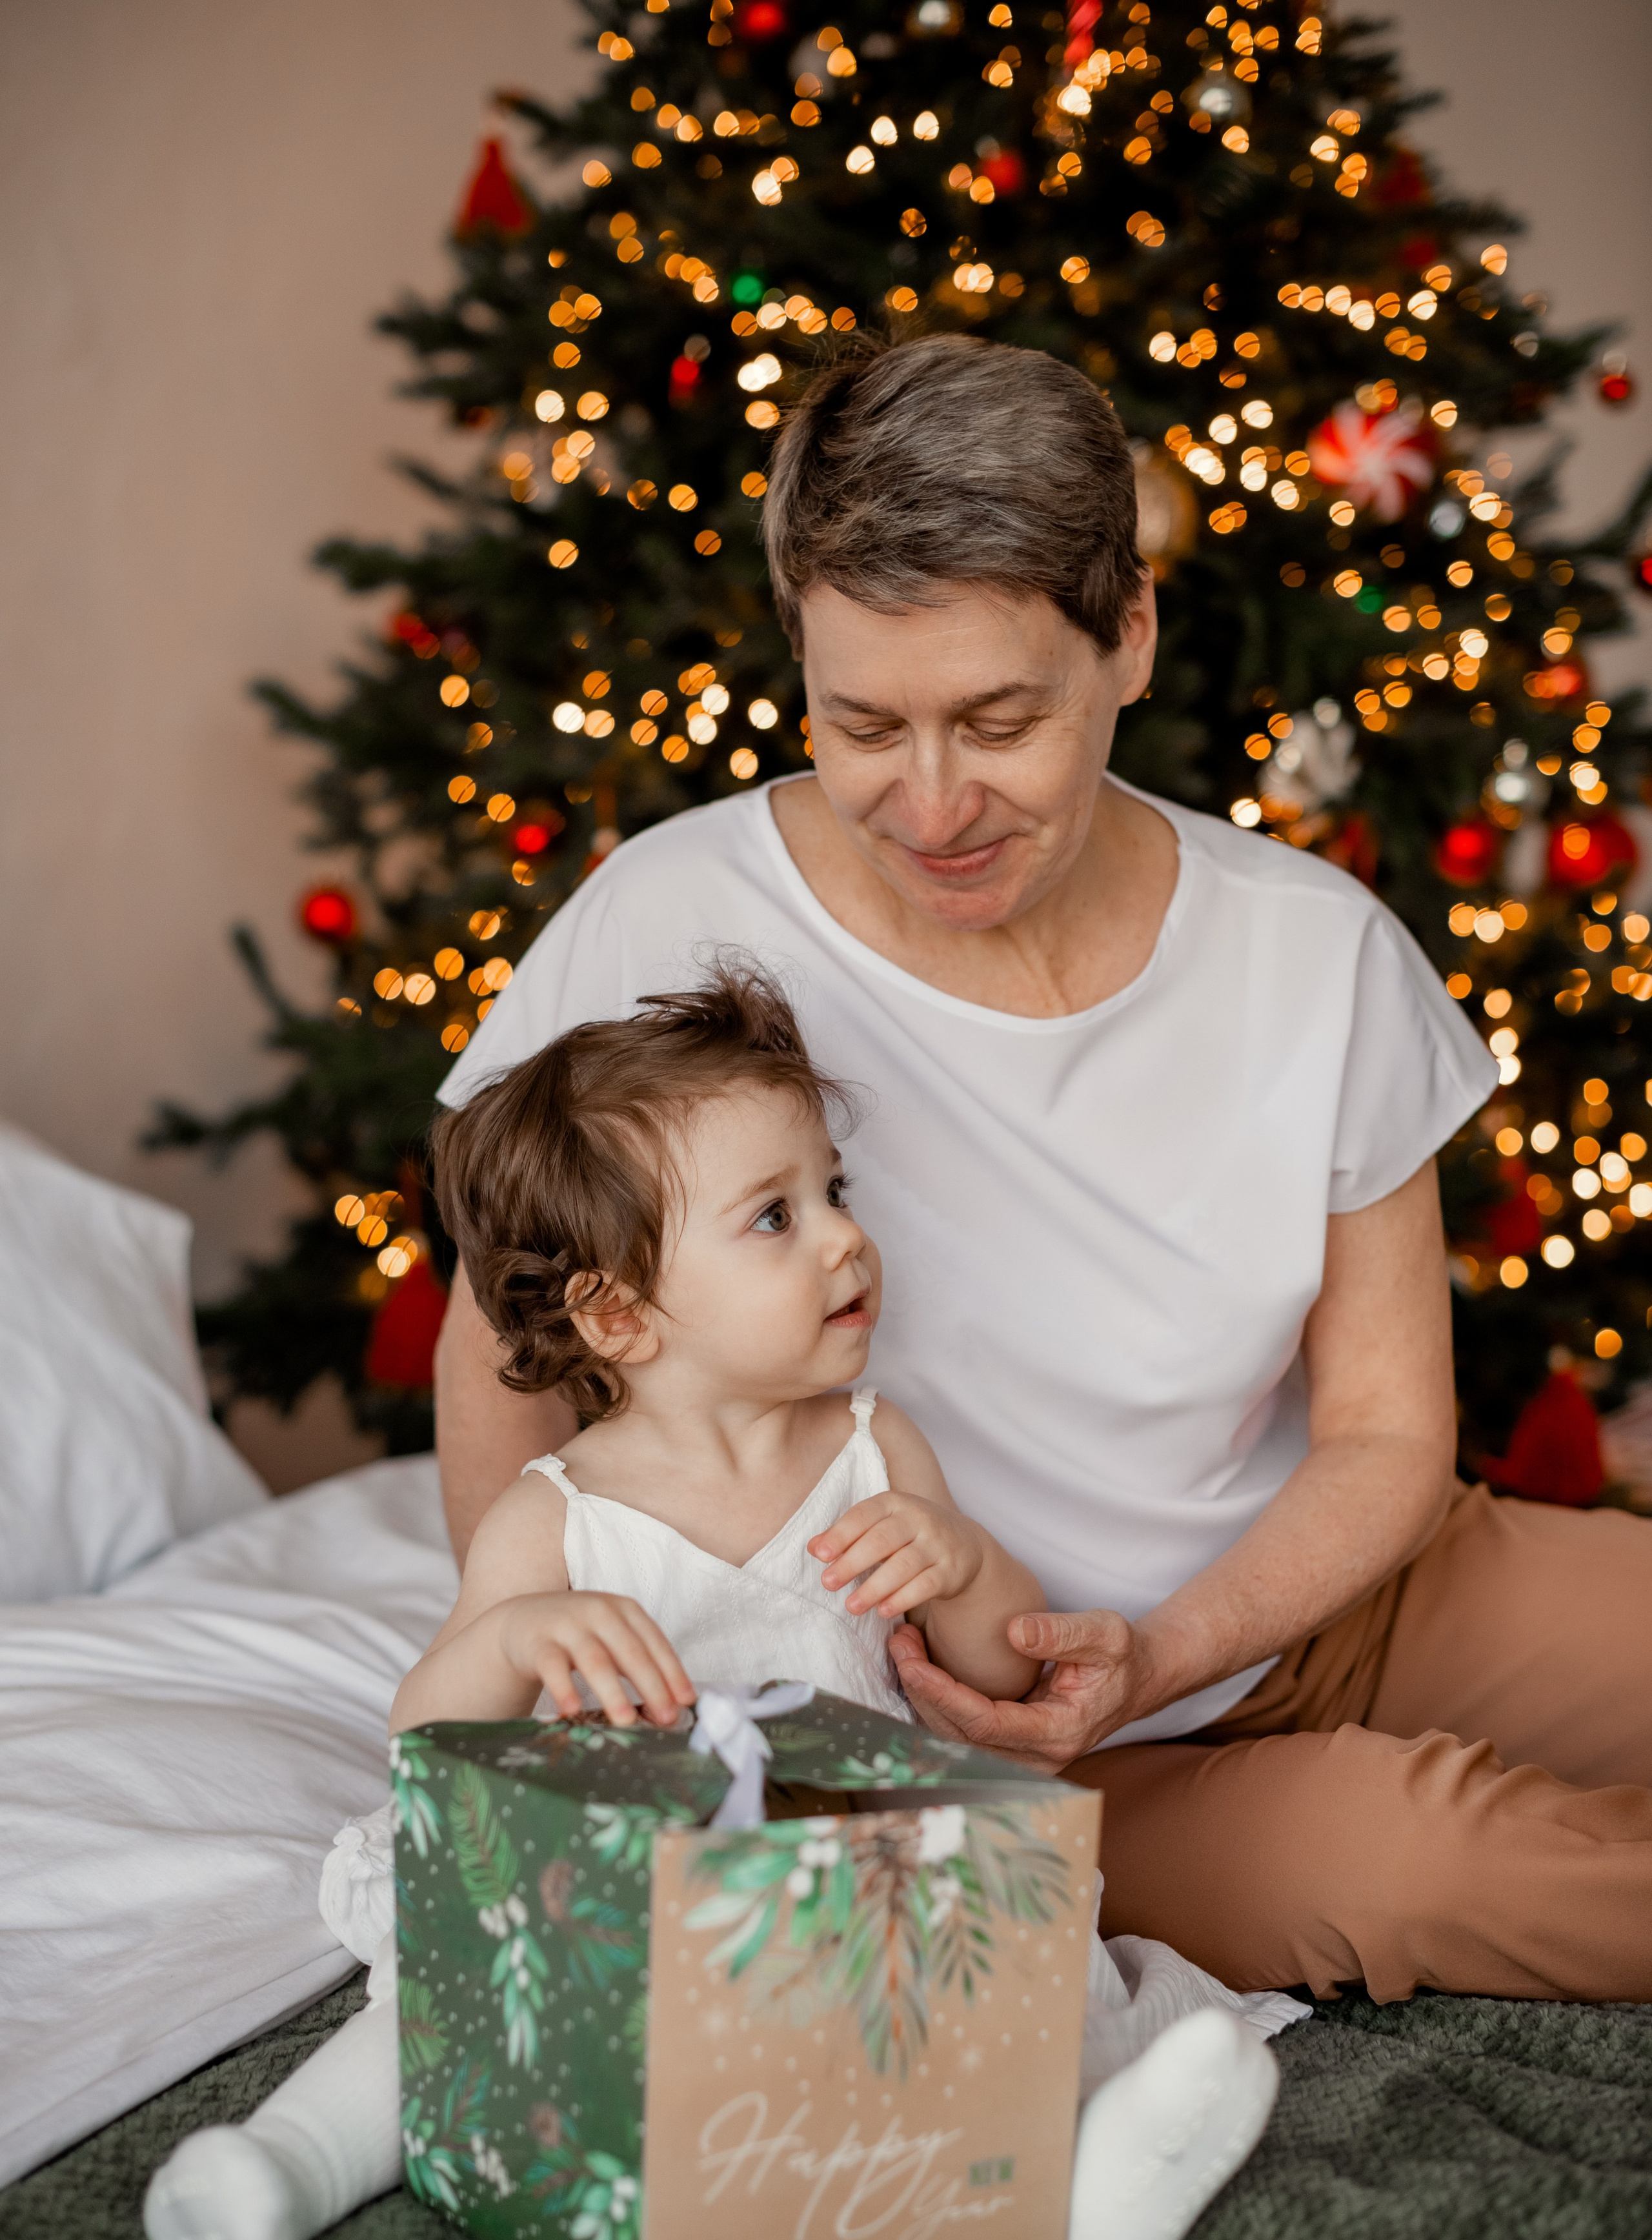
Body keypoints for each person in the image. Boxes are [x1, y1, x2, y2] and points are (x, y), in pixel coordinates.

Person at [434, 332, 1652, 2008]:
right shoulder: (665, 922)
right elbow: (502, 1348)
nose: (931, 804)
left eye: (1001, 718)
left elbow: (1384, 1432)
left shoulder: (1312, 951)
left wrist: (1173, 1641)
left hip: (1353, 1581)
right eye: (863, 720)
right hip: (1011, 1739)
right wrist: (533, 1710)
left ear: (1130, 638)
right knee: (1449, 1861)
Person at [143, 965, 1291, 2240]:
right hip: (613, 1911)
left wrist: (962, 1559)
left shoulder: (874, 1449)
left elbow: (989, 1676)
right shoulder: (555, 1514)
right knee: (450, 2001)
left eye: (832, 1194)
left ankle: (1086, 2181)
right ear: (621, 1313)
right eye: (772, 1217)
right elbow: (430, 1733)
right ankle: (289, 2164)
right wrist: (520, 1640)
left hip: (849, 1897)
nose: (841, 1239)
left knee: (1006, 1994)